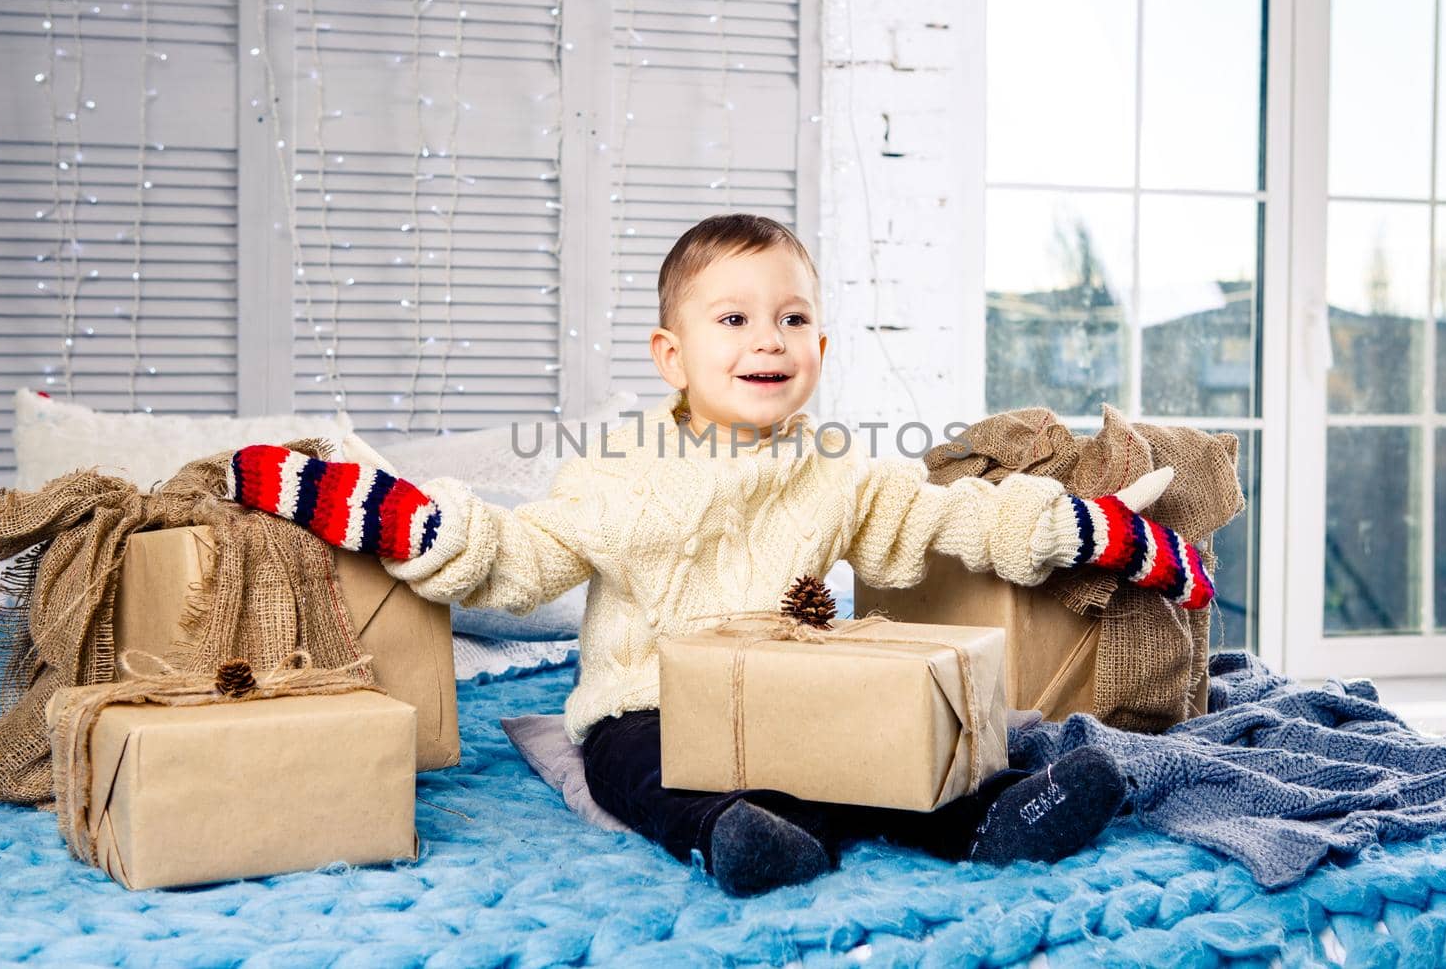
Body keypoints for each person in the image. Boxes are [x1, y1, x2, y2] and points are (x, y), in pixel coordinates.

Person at [225, 213, 1215, 897]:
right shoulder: (620, 468)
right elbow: (519, 560)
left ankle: (993, 813)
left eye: (790, 318)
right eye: (733, 318)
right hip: (645, 703)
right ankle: (726, 833)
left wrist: (1083, 527)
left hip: (784, 695)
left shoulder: (837, 472)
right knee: (645, 765)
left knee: (869, 748)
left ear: (818, 348)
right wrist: (417, 522)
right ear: (674, 355)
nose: (766, 338)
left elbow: (946, 518)